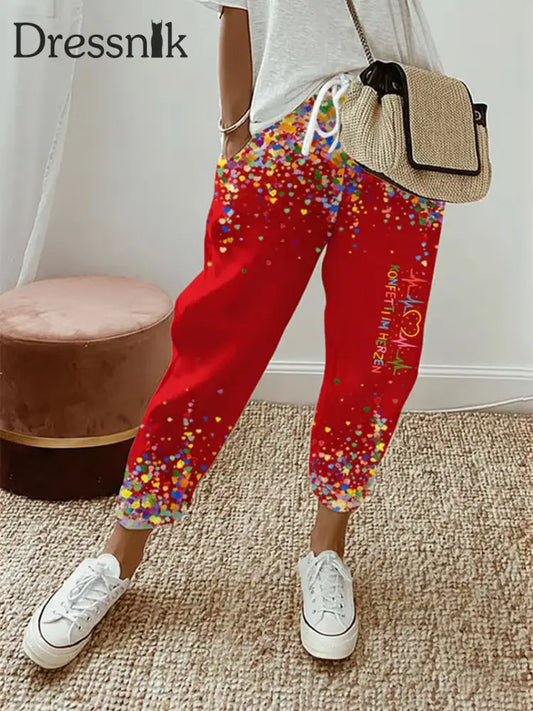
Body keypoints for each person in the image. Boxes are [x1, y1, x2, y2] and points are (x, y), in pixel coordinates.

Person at [22, 0, 446, 668]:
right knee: (213, 349)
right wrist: (234, 137)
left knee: (376, 361)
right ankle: (118, 554)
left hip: (398, 131)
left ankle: (327, 550)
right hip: (284, 137)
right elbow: (235, 10)